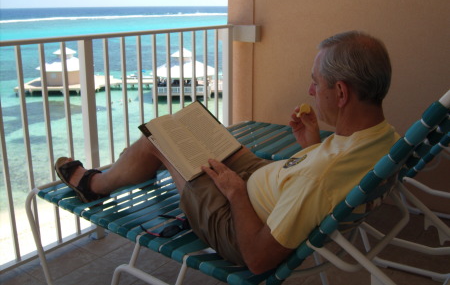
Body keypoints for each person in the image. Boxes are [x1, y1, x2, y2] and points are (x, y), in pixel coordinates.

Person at [55, 30, 399, 275]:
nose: (310, 91)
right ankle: (132, 170)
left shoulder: (320, 178)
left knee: (160, 138)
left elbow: (258, 258)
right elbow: (326, 173)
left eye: (316, 83)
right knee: (189, 126)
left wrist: (235, 192)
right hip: (271, 179)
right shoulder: (385, 139)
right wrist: (311, 147)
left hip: (236, 220)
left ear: (340, 92)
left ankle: (93, 185)